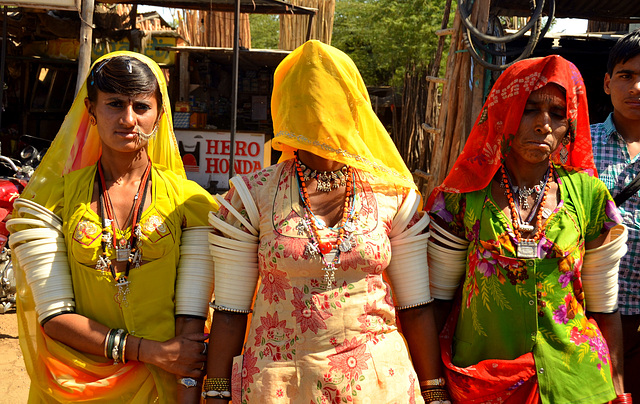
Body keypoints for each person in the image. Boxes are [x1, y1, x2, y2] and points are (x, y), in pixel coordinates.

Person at [203, 40, 447, 403]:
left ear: (354, 107)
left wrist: (435, 392)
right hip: (279, 385)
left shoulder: (392, 195)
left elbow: (415, 306)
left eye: (333, 101)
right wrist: (216, 392)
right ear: (286, 110)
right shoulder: (252, 196)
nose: (320, 114)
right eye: (306, 102)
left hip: (378, 385)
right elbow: (229, 311)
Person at [9, 51, 217, 403]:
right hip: (75, 387)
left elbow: (190, 327)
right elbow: (55, 316)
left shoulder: (189, 204)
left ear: (160, 115)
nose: (128, 119)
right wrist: (148, 351)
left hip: (160, 388)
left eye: (141, 107)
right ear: (90, 111)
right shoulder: (55, 202)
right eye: (115, 104)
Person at [426, 55, 631, 403]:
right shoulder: (462, 199)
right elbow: (438, 300)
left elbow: (605, 309)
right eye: (529, 108)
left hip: (577, 384)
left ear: (571, 123)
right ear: (505, 111)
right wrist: (433, 389)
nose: (544, 125)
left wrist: (618, 391)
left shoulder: (589, 195)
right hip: (487, 381)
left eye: (557, 113)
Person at [591, 27, 640, 401]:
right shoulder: (578, 144)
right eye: (627, 76)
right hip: (593, 316)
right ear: (607, 83)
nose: (637, 88)